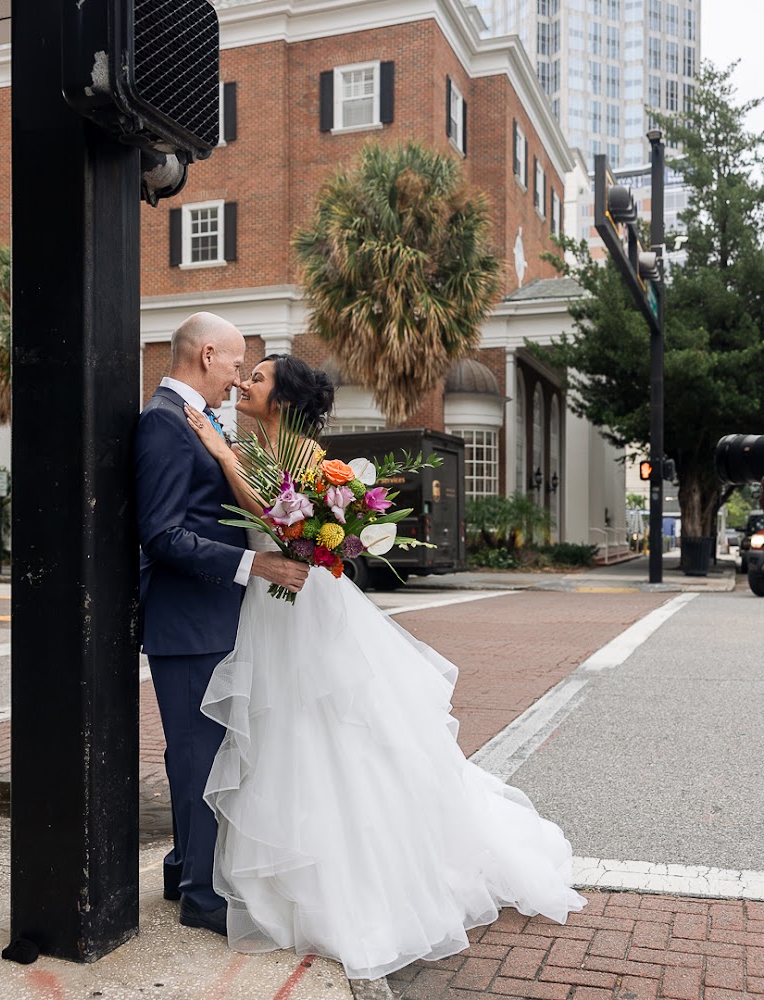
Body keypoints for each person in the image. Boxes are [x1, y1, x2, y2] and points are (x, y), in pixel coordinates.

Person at [184, 354, 586, 979]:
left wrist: (220, 451)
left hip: (302, 607)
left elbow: (278, 521)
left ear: (282, 401)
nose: (243, 384)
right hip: (272, 603)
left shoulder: (308, 462)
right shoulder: (265, 448)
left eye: (256, 379)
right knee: (286, 730)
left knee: (328, 726)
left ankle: (349, 877)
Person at [135, 314, 309, 937]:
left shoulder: (197, 421)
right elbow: (161, 534)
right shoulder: (162, 422)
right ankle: (199, 894)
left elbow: (215, 510)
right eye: (236, 364)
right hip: (186, 622)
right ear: (208, 355)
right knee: (196, 756)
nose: (238, 379)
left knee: (201, 753)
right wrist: (255, 562)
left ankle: (186, 864)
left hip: (213, 616)